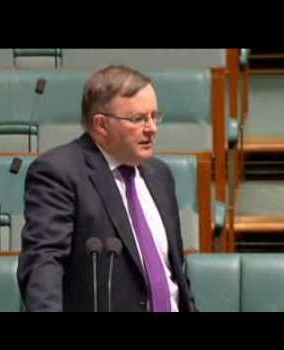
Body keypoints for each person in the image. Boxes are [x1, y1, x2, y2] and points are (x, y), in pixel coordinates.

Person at [17, 65, 197, 312]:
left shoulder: (160, 175)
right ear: (101, 125)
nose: (152, 128)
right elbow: (43, 262)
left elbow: (174, 272)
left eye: (154, 116)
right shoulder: (59, 172)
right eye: (138, 119)